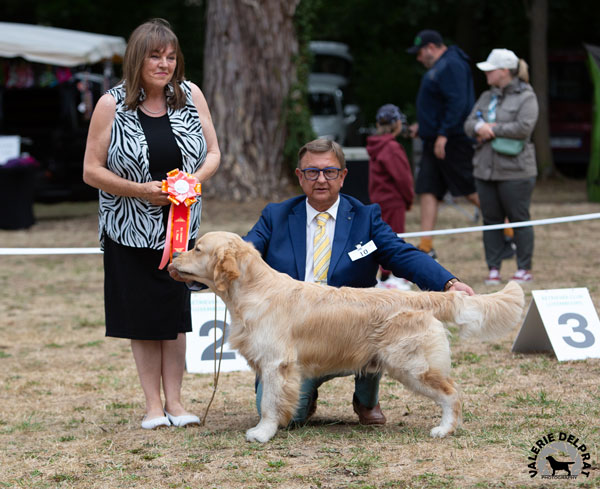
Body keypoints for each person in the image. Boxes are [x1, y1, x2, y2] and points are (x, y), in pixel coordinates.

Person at [241, 138, 474, 427]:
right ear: (300, 177)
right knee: (287, 419)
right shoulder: (275, 216)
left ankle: (366, 399)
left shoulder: (366, 217)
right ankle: (307, 391)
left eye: (330, 172)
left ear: (343, 176)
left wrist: (448, 283)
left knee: (376, 319)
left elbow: (401, 254)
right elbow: (243, 254)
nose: (321, 179)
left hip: (356, 333)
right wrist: (200, 269)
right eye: (312, 172)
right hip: (295, 338)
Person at [83, 19, 220, 429]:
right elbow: (91, 170)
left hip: (180, 231)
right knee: (142, 318)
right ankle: (153, 408)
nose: (164, 64)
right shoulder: (111, 104)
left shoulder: (191, 95)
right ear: (137, 59)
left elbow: (213, 152)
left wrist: (193, 180)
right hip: (128, 230)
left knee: (175, 317)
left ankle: (177, 404)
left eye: (171, 56)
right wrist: (140, 191)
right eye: (155, 56)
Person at [464, 49, 538, 284]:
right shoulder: (487, 96)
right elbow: (468, 123)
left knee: (519, 218)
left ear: (505, 71)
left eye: (491, 69)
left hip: (516, 171)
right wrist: (478, 128)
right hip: (484, 169)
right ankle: (493, 268)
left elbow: (524, 128)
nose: (486, 73)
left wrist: (493, 129)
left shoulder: (527, 96)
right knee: (490, 219)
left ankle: (524, 268)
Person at [407, 29, 480, 259]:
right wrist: (425, 126)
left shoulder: (452, 64)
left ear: (431, 47)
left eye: (419, 53)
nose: (418, 58)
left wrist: (444, 133)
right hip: (433, 139)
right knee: (427, 188)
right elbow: (439, 104)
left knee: (468, 189)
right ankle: (426, 246)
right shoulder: (440, 67)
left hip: (452, 141)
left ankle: (507, 228)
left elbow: (458, 103)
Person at [366, 104, 414, 290]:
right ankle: (394, 275)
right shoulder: (392, 147)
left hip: (379, 200)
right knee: (395, 237)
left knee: (382, 237)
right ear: (397, 124)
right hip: (394, 201)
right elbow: (403, 178)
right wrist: (408, 198)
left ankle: (385, 276)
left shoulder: (376, 146)